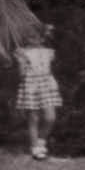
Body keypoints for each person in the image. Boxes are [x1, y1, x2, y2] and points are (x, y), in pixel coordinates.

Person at [14, 23, 61, 160]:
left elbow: (49, 69)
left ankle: (41, 141)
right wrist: (22, 63)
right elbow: (21, 74)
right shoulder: (22, 52)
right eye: (29, 37)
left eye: (35, 37)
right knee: (33, 118)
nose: (32, 39)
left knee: (50, 117)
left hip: (46, 85)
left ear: (42, 38)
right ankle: (34, 147)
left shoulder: (48, 52)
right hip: (31, 85)